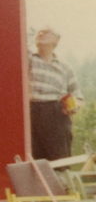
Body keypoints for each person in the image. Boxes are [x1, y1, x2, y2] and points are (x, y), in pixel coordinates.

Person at [29, 26, 85, 161]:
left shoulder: (65, 67)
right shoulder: (28, 58)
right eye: (39, 32)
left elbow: (78, 97)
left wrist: (74, 107)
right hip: (31, 111)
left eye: (46, 32)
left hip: (56, 114)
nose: (41, 33)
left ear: (57, 40)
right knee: (33, 157)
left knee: (59, 159)